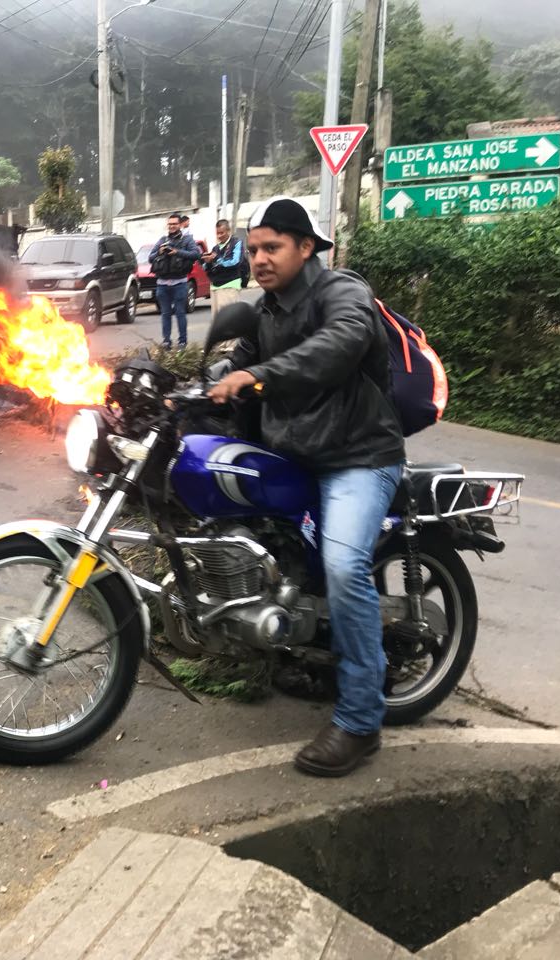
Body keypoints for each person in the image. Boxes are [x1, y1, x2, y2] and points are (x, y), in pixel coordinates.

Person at [208, 196, 406, 778]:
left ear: (306, 247)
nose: (259, 259)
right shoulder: (266, 311)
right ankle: (296, 642)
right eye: (252, 249)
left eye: (272, 247)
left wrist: (258, 377)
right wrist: (195, 388)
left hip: (358, 457)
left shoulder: (344, 293)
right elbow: (236, 366)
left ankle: (361, 721)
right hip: (296, 455)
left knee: (345, 567)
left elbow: (336, 346)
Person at [147, 213, 201, 349]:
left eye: (174, 224)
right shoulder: (162, 240)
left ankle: (182, 341)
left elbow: (196, 254)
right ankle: (166, 341)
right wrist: (159, 252)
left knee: (180, 313)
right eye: (170, 224)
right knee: (165, 314)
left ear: (180, 225)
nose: (172, 226)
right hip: (162, 284)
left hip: (180, 283)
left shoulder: (187, 240)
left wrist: (177, 252)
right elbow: (150, 258)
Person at [203, 218, 246, 318]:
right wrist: (207, 262)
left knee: (229, 321)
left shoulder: (236, 243)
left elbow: (235, 262)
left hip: (230, 286)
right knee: (217, 323)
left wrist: (217, 258)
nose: (219, 236)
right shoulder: (215, 248)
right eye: (217, 233)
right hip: (215, 287)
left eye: (222, 233)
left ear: (228, 231)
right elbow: (207, 268)